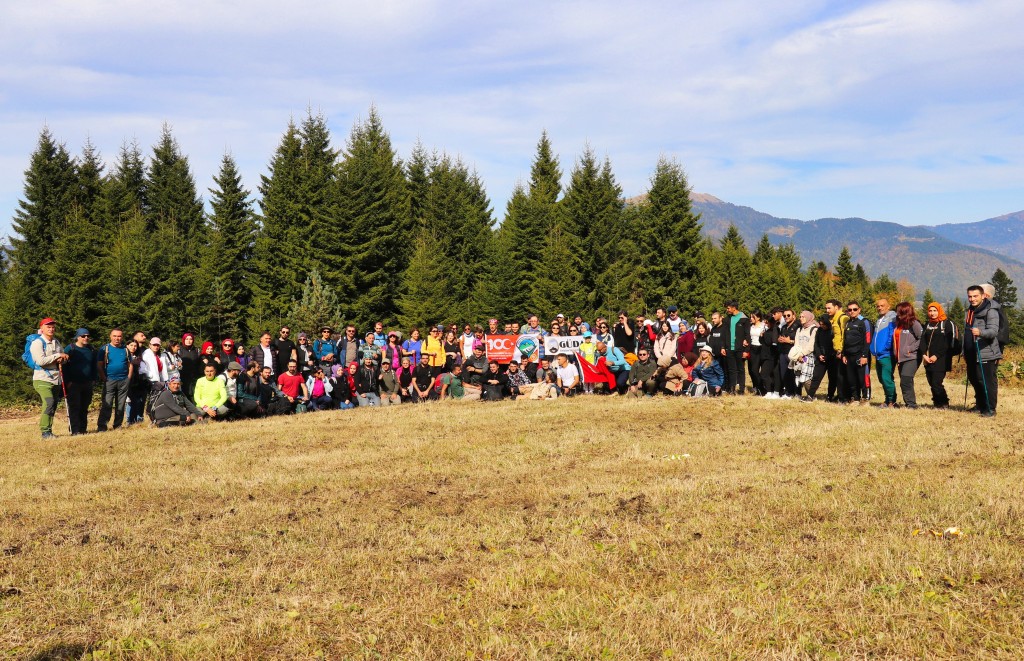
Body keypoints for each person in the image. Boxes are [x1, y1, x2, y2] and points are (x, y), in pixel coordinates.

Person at [28, 318, 68, 439]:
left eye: (52, 327)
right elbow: (40, 361)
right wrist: (58, 356)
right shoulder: (37, 343)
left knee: (53, 404)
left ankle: (49, 430)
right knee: (49, 402)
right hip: (42, 379)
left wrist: (63, 359)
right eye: (48, 327)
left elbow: (63, 359)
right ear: (42, 328)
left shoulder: (56, 341)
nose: (51, 329)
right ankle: (45, 432)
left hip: (56, 378)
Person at [965, 285, 1000, 417]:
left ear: (983, 296)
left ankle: (990, 409)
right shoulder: (970, 311)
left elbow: (993, 331)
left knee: (986, 381)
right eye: (970, 296)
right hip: (971, 352)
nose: (972, 299)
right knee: (975, 379)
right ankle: (980, 405)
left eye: (975, 296)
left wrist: (980, 332)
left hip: (986, 351)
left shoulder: (991, 310)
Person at [921, 302, 956, 409]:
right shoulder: (927, 324)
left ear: (939, 310)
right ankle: (937, 402)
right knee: (931, 382)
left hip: (942, 359)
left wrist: (936, 355)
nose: (932, 313)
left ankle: (944, 402)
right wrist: (924, 355)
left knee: (937, 382)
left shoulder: (947, 324)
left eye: (935, 311)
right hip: (928, 359)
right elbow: (922, 341)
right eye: (930, 311)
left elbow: (949, 342)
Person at [63, 328, 97, 435]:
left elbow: (93, 365)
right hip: (73, 383)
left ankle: (83, 429)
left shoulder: (91, 349)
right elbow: (64, 366)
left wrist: (93, 379)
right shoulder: (71, 349)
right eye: (83, 336)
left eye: (87, 336)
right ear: (78, 337)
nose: (86, 338)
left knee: (84, 407)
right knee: (74, 407)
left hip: (87, 383)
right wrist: (67, 381)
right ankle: (75, 430)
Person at [97, 328, 133, 432]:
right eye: (115, 336)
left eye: (119, 336)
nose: (117, 338)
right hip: (110, 380)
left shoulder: (125, 349)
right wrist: (104, 377)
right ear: (110, 336)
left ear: (122, 337)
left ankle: (117, 425)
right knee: (107, 404)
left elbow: (130, 365)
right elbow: (99, 365)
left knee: (121, 405)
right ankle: (102, 426)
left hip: (123, 380)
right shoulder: (104, 349)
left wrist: (128, 378)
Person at [841, 302, 870, 404]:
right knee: (851, 379)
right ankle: (855, 398)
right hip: (849, 356)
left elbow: (867, 340)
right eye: (849, 310)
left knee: (862, 379)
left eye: (854, 309)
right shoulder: (848, 323)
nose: (852, 311)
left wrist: (864, 355)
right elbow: (845, 340)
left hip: (860, 355)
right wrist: (844, 354)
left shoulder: (864, 322)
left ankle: (865, 399)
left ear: (859, 309)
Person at [871, 298, 898, 408]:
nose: (880, 308)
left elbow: (892, 335)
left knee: (887, 378)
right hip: (878, 355)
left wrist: (886, 348)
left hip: (887, 354)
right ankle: (887, 400)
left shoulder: (892, 318)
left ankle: (892, 401)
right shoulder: (879, 319)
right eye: (878, 306)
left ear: (888, 306)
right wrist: (873, 348)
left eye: (882, 305)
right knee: (882, 379)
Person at [789, 311, 818, 401]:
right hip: (798, 356)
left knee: (806, 378)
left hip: (808, 356)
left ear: (808, 317)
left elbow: (811, 345)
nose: (800, 318)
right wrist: (798, 355)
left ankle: (811, 395)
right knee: (798, 375)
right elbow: (796, 344)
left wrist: (802, 354)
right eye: (800, 316)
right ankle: (799, 394)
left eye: (803, 317)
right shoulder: (799, 329)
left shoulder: (814, 329)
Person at [723, 300, 750, 395]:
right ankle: (732, 389)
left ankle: (741, 390)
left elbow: (747, 335)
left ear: (734, 308)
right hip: (729, 348)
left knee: (740, 369)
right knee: (731, 369)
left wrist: (746, 350)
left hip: (740, 349)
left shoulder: (744, 319)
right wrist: (723, 347)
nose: (727, 310)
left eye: (728, 308)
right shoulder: (726, 319)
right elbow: (724, 334)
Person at [824, 301, 848, 402]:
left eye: (829, 308)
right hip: (835, 351)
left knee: (841, 375)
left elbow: (845, 336)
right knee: (837, 375)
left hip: (841, 352)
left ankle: (843, 397)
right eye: (826, 308)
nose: (827, 310)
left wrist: (841, 351)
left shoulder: (842, 318)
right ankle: (839, 395)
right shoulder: (833, 319)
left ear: (837, 307)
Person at [140, 337, 170, 412]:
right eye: (154, 345)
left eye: (158, 345)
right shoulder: (146, 354)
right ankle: (149, 413)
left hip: (159, 380)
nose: (156, 347)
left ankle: (155, 413)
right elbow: (143, 368)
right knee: (152, 398)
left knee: (157, 398)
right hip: (151, 380)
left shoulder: (159, 355)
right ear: (150, 345)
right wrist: (149, 377)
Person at [178, 332, 201, 398]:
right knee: (183, 393)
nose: (189, 341)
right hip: (182, 376)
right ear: (183, 340)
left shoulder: (196, 350)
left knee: (193, 394)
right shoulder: (180, 349)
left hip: (194, 376)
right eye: (187, 339)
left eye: (190, 339)